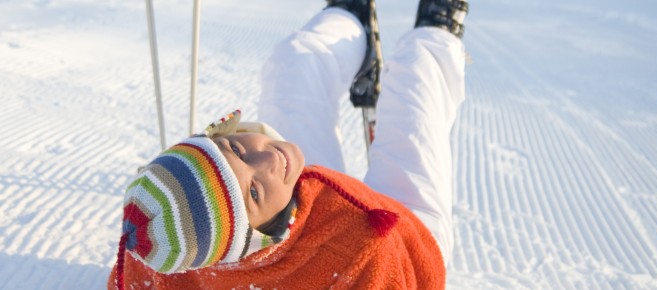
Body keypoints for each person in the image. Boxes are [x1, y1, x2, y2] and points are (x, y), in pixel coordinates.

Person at [109, 0, 468, 288]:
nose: (267, 158)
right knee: (417, 83)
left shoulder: (173, 241)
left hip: (301, 192)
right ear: (254, 239)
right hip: (401, 230)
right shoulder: (364, 254)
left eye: (237, 149)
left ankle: (348, 14)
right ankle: (436, 34)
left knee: (295, 59)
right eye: (252, 193)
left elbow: (138, 259)